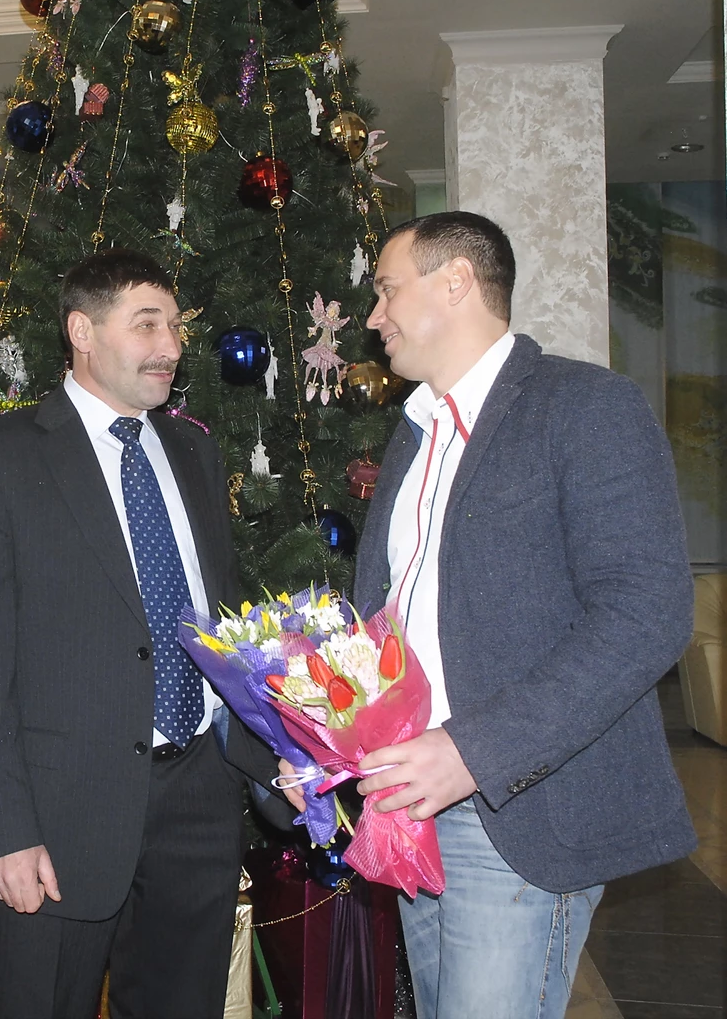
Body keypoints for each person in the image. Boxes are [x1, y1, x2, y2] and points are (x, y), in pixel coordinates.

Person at [286, 211, 696, 1019]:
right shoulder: (414, 434)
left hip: (515, 808)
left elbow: (647, 612)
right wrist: (322, 743)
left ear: (455, 282)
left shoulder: (584, 405)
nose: (373, 317)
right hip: (414, 807)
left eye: (386, 290)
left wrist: (474, 751)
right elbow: (396, 620)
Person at [0, 249, 275, 1019]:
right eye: (146, 325)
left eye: (175, 327)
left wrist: (269, 749)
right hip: (56, 814)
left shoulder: (192, 450)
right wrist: (2, 831)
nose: (171, 346)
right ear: (82, 331)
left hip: (198, 798)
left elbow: (218, 619)